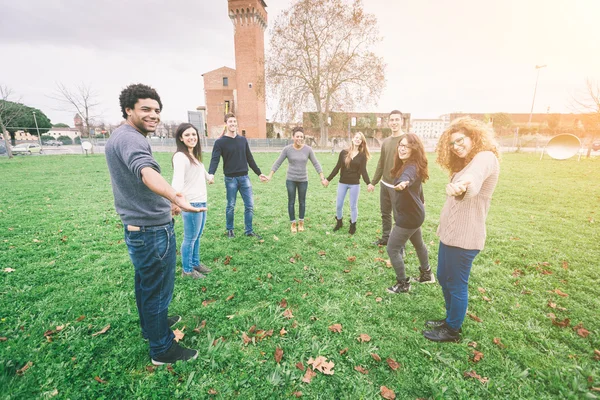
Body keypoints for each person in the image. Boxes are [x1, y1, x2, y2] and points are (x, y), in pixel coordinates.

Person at [105, 83, 205, 365]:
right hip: (150, 231)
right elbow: (146, 172)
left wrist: (167, 202)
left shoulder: (123, 136)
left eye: (157, 110)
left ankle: (152, 326)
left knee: (147, 284)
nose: (153, 115)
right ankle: (162, 348)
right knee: (158, 289)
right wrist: (176, 196)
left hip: (140, 226)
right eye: (145, 109)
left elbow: (143, 182)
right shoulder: (131, 140)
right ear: (129, 110)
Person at [423, 117, 500, 343]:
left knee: (456, 284)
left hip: (466, 237)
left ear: (473, 137)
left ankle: (452, 330)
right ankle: (449, 318)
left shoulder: (485, 157)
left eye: (460, 140)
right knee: (444, 278)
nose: (456, 147)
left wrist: (462, 185)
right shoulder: (465, 162)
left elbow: (473, 178)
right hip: (450, 235)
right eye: (452, 144)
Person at [385, 134, 434, 294]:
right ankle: (427, 274)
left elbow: (408, 179)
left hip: (409, 217)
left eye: (406, 146)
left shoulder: (411, 167)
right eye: (400, 145)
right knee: (419, 244)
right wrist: (421, 199)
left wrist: (402, 183)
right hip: (415, 214)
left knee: (392, 248)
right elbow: (418, 187)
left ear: (414, 149)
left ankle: (403, 284)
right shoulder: (409, 165)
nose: (401, 148)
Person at [207, 113, 268, 239]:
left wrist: (259, 173)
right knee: (231, 206)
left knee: (249, 205)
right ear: (226, 124)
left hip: (245, 178)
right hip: (230, 179)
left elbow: (249, 158)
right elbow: (215, 159)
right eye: (230, 121)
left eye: (234, 121)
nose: (233, 124)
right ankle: (230, 230)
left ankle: (249, 231)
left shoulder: (242, 140)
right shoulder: (220, 142)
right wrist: (211, 174)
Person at [171, 123, 212, 279]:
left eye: (194, 134)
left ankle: (195, 263)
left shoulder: (193, 155)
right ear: (181, 138)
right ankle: (187, 271)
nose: (191, 137)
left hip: (201, 202)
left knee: (197, 236)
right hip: (191, 204)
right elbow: (177, 181)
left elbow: (201, 172)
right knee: (190, 238)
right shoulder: (180, 156)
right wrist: (175, 201)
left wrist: (210, 177)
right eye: (187, 135)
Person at [268, 127, 327, 233]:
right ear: (293, 137)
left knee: (302, 202)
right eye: (297, 136)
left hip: (303, 180)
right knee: (291, 201)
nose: (299, 138)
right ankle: (293, 223)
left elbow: (316, 163)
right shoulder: (287, 149)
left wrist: (322, 177)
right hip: (291, 179)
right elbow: (278, 162)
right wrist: (270, 175)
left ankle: (301, 223)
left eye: (301, 136)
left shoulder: (308, 149)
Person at [368, 110, 405, 246]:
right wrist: (373, 182)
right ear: (388, 122)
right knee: (385, 214)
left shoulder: (407, 140)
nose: (394, 122)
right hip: (385, 184)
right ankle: (385, 238)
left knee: (399, 216)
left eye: (397, 120)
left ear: (402, 121)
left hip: (398, 186)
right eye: (392, 120)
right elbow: (381, 163)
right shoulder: (386, 142)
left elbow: (413, 164)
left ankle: (400, 244)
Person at [324, 131, 371, 235]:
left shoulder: (362, 156)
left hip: (355, 183)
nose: (357, 139)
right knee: (339, 205)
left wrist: (368, 183)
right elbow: (337, 167)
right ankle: (339, 222)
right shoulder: (344, 152)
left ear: (362, 141)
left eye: (360, 138)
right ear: (353, 139)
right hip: (343, 182)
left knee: (353, 206)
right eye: (356, 137)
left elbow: (364, 171)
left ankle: (353, 224)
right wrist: (328, 179)